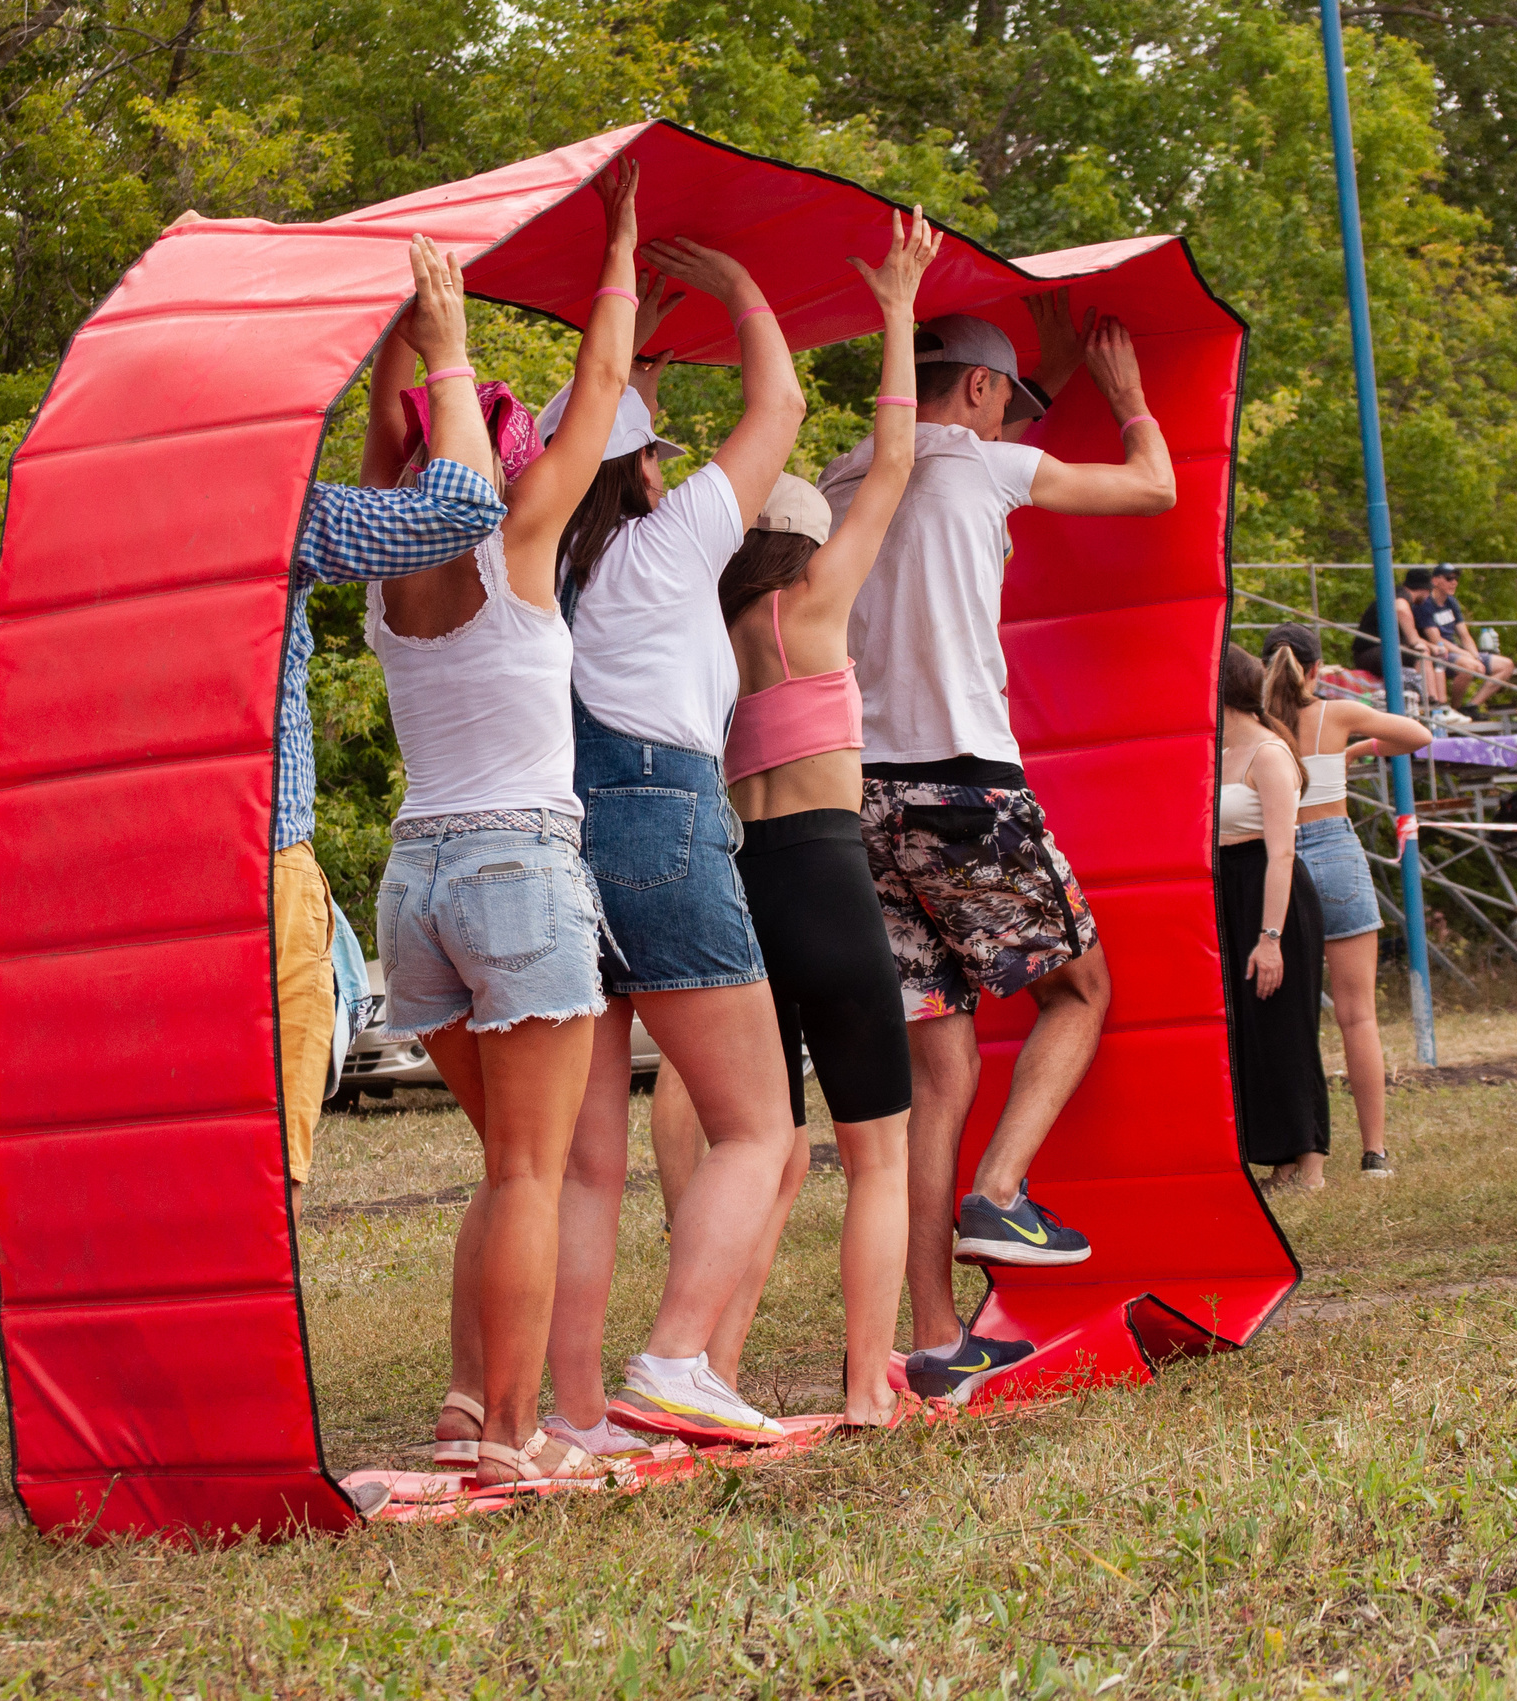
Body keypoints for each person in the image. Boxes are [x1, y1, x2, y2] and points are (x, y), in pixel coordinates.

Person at [819, 293, 1175, 1404]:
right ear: (976, 394)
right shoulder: (984, 466)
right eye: (1005, 397)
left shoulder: (841, 473)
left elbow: (947, 429)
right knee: (1081, 986)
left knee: (938, 1063)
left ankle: (935, 1340)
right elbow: (1154, 487)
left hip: (850, 798)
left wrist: (1044, 356)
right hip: (962, 784)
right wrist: (1125, 399)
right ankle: (1001, 1189)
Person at [359, 163, 645, 1489]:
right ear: (505, 459)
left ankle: (471, 1404)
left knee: (503, 1168)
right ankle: (519, 1440)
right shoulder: (521, 533)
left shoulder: (382, 566)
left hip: (414, 878)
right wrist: (621, 246)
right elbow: (601, 390)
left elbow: (392, 454)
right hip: (517, 863)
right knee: (533, 1171)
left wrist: (399, 356)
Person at [535, 219, 812, 1457]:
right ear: (650, 475)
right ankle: (679, 1362)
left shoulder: (542, 564)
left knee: (585, 1165)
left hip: (563, 830)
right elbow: (784, 405)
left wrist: (631, 366)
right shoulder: (672, 542)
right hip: (663, 812)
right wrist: (746, 287)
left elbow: (605, 432)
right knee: (760, 1126)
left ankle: (578, 1413)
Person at [700, 212, 940, 1430]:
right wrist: (897, 308)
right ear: (800, 536)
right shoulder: (811, 602)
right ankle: (862, 1386)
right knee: (876, 1155)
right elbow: (893, 462)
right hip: (830, 880)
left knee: (767, 1155)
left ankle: (719, 1372)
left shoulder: (694, 622)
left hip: (742, 886)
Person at [273, 236, 508, 1200]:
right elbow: (463, 504)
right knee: (264, 1157)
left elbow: (394, 476)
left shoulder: (87, 517)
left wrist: (394, 367)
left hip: (133, 886)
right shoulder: (275, 521)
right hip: (262, 869)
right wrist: (443, 348)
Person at [1260, 627, 1430, 1179]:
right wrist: (1357, 745)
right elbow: (1417, 735)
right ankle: (1375, 1151)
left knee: (1290, 1020)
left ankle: (1300, 1154)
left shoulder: (1254, 725)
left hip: (1277, 861)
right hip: (1335, 849)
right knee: (1359, 1016)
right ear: (1315, 669)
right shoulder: (1337, 713)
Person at [1217, 646, 1329, 1185]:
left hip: (1273, 892)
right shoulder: (1213, 751)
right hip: (1229, 891)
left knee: (1287, 1024)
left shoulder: (1269, 753)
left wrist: (1271, 938)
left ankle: (1310, 1164)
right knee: (1252, 1030)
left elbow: (1282, 851)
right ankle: (1280, 1157)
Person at [1415, 564, 1513, 712]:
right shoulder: (1426, 604)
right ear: (1435, 581)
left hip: (1456, 652)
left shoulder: (1451, 602)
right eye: (1449, 578)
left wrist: (1474, 656)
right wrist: (1467, 656)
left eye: (1456, 579)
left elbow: (1464, 635)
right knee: (1469, 667)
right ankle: (1455, 708)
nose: (1454, 582)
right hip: (1439, 654)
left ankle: (1472, 706)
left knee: (1506, 665)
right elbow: (1436, 640)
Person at [1354, 569, 1444, 709]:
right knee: (1421, 655)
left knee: (1424, 652)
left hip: (1376, 651)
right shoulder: (1402, 596)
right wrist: (1415, 640)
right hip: (1370, 652)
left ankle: (1432, 701)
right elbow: (1400, 608)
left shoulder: (1396, 594)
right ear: (1424, 589)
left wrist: (1432, 646)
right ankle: (1430, 702)